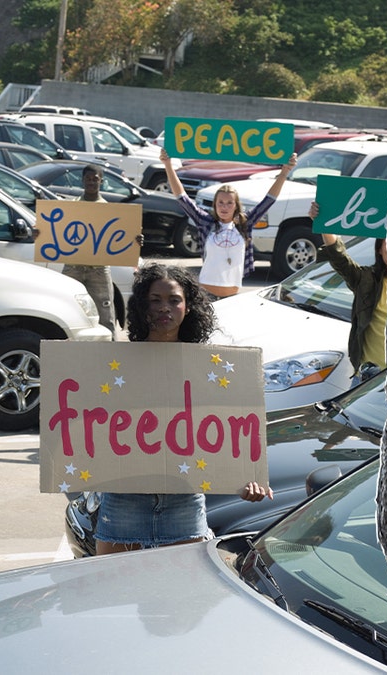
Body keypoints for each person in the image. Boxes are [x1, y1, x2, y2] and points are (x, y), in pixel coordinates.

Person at [94, 263, 272, 555]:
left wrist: (244, 479)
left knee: (182, 585)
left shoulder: (211, 368)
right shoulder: (117, 365)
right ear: (141, 306)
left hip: (184, 503)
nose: (165, 307)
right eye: (155, 300)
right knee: (115, 583)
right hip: (124, 501)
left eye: (174, 299)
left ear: (188, 307)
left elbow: (226, 432)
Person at [159, 149, 296, 298]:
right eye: (221, 203)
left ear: (236, 206)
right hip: (205, 295)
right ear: (215, 205)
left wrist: (285, 171)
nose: (224, 207)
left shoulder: (244, 223)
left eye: (229, 203)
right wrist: (168, 165)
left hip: (233, 295)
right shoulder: (205, 222)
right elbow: (182, 197)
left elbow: (269, 200)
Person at [308, 201, 387, 386]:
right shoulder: (367, 280)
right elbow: (339, 257)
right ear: (379, 249)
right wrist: (324, 221)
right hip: (367, 380)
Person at [60, 164, 116, 336]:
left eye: (95, 179)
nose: (91, 182)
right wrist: (41, 233)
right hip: (73, 266)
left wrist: (134, 240)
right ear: (82, 180)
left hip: (99, 269)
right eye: (88, 179)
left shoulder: (109, 209)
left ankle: (111, 348)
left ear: (101, 181)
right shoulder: (72, 206)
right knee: (65, 308)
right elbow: (59, 230)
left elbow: (116, 237)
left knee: (106, 314)